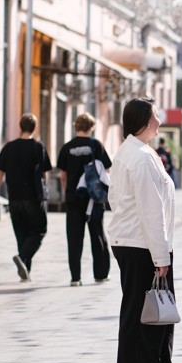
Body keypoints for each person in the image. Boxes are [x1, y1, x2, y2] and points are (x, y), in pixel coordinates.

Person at [108, 97, 182, 363]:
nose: (159, 121)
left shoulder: (136, 152)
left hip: (138, 243)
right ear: (145, 121)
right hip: (142, 246)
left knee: (157, 317)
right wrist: (160, 257)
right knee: (145, 318)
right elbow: (150, 210)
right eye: (155, 116)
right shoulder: (140, 157)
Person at [0, 114, 52, 282]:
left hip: (14, 199)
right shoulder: (38, 147)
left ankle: (25, 270)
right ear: (34, 128)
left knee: (22, 235)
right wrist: (44, 193)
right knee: (39, 230)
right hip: (33, 198)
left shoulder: (9, 148)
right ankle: (23, 258)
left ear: (20, 126)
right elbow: (45, 174)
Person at [57, 113, 113, 287]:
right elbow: (106, 170)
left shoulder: (67, 147)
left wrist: (67, 191)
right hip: (93, 199)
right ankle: (101, 274)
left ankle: (75, 277)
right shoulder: (95, 145)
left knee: (74, 237)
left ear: (76, 126)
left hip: (74, 197)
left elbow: (63, 175)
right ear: (92, 127)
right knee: (97, 235)